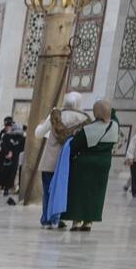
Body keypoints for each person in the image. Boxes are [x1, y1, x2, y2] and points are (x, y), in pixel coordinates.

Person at [33, 93, 90, 228]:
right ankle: (57, 218)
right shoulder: (84, 118)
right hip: (71, 162)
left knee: (48, 190)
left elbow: (39, 134)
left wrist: (39, 125)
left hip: (50, 160)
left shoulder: (55, 115)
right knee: (64, 191)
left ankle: (47, 219)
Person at [63, 99, 120, 231]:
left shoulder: (88, 129)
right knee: (96, 193)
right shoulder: (114, 126)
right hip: (103, 165)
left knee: (79, 192)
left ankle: (76, 221)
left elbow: (74, 146)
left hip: (84, 165)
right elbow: (114, 115)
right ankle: (88, 222)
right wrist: (109, 110)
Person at [0, 118, 25, 201]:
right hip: (6, 157)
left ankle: (4, 189)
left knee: (8, 174)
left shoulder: (20, 138)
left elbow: (21, 148)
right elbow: (1, 143)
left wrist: (9, 152)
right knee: (0, 172)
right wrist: (9, 152)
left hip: (9, 157)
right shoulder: (6, 134)